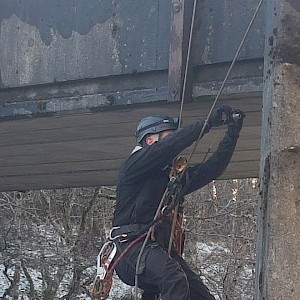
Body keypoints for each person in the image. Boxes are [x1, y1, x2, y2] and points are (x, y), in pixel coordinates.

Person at [110, 105, 245, 300]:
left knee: (199, 294)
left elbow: (211, 169)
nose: (173, 140)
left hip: (156, 248)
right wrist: (206, 124)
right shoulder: (134, 165)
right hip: (131, 246)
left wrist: (231, 135)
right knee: (173, 278)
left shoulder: (169, 178)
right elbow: (167, 148)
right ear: (150, 140)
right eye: (168, 135)